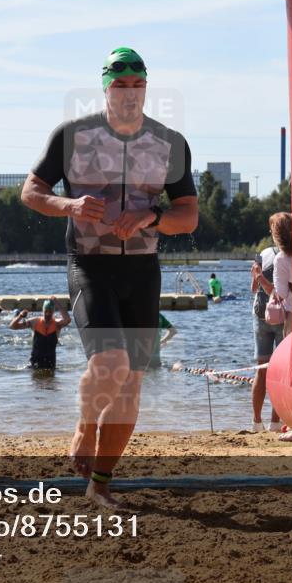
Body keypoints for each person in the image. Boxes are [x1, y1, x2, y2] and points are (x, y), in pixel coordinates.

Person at [20, 46, 198, 508]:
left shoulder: (170, 143)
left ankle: (100, 483)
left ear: (146, 88)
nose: (129, 94)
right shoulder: (73, 136)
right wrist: (70, 205)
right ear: (105, 88)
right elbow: (31, 191)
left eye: (137, 86)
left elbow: (188, 216)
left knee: (132, 382)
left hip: (142, 270)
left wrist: (150, 217)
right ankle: (84, 424)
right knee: (111, 365)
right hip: (90, 264)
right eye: (120, 86)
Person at [251, 244, 283, 433]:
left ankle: (256, 422)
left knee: (261, 371)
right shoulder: (290, 254)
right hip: (281, 316)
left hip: (260, 314)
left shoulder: (262, 254)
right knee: (278, 372)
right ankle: (275, 422)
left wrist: (258, 276)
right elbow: (278, 293)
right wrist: (262, 279)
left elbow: (253, 288)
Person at [9, 298, 72, 370]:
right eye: (46, 311)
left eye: (50, 311)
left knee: (51, 381)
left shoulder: (57, 324)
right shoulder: (34, 322)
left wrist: (57, 302)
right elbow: (12, 326)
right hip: (34, 364)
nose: (47, 314)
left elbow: (67, 320)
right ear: (43, 310)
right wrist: (20, 316)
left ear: (53, 311)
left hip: (50, 364)